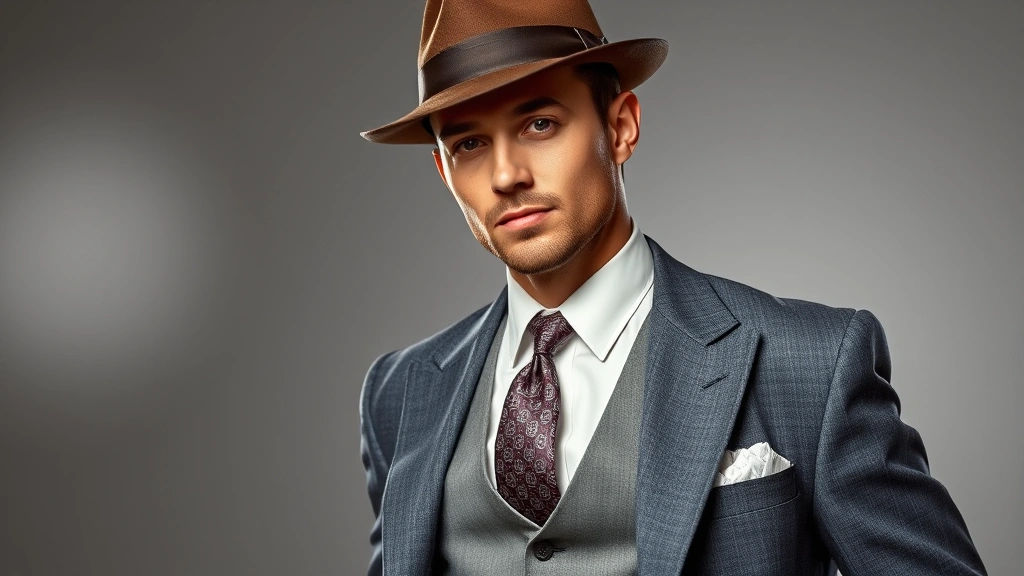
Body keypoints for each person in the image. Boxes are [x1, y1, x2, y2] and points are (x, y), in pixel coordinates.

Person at [357, 1, 987, 574]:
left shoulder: (810, 361)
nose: (505, 174)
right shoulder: (401, 392)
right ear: (443, 172)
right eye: (469, 144)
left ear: (622, 125)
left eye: (540, 124)